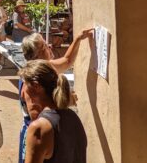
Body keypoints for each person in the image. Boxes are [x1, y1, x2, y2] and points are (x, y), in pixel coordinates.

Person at [17, 30, 93, 163]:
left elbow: (67, 60)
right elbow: (37, 116)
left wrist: (78, 39)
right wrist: (64, 101)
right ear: (37, 54)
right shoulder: (29, 80)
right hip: (40, 139)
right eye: (44, 46)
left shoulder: (46, 68)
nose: (49, 47)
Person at [19, 60, 87, 163]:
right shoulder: (73, 117)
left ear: (36, 87)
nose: (23, 93)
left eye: (25, 85)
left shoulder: (39, 128)